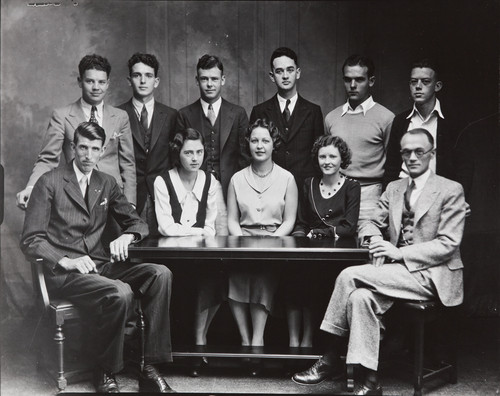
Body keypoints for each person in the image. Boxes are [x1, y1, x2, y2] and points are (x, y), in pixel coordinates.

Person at [292, 128, 466, 395]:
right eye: (406, 152)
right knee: (359, 297)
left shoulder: (450, 189)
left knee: (349, 275)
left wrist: (399, 253)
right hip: (398, 273)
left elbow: (448, 244)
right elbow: (371, 222)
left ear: (431, 154)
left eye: (419, 151)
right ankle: (370, 381)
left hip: (432, 275)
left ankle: (329, 356)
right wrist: (374, 239)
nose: (412, 157)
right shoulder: (394, 188)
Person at [20, 122, 174, 393]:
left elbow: (138, 223)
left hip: (100, 268)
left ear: (102, 151)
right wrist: (65, 260)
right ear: (73, 147)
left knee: (160, 274)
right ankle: (105, 370)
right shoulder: (50, 182)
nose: (88, 155)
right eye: (82, 147)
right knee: (120, 292)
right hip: (66, 275)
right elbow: (31, 240)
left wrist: (128, 236)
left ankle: (149, 367)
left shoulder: (106, 182)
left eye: (94, 149)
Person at [16, 54, 136, 209]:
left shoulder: (120, 117)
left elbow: (128, 164)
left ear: (108, 84)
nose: (96, 87)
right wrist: (31, 187)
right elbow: (47, 159)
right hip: (76, 197)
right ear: (80, 82)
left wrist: (130, 202)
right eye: (89, 81)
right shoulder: (62, 116)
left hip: (112, 198)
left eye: (101, 82)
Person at [154, 128, 227, 377]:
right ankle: (185, 349)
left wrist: (193, 232)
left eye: (199, 152)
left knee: (212, 275)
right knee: (183, 282)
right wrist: (196, 232)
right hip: (171, 255)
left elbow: (210, 226)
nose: (195, 158)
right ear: (178, 154)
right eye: (188, 153)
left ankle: (199, 341)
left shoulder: (210, 181)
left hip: (201, 254)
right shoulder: (162, 181)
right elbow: (165, 227)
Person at [226, 119, 298, 357]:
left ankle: (257, 341)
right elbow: (232, 221)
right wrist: (241, 244)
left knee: (262, 278)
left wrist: (273, 242)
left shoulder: (287, 178)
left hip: (274, 242)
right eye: (255, 140)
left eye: (265, 141)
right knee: (236, 277)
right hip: (242, 241)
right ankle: (245, 340)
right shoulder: (237, 179)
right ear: (248, 143)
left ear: (273, 144)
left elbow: (289, 221)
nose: (260, 146)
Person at [289, 135, 360, 348]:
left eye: (332, 156)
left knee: (319, 287)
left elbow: (348, 227)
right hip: (308, 251)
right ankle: (296, 343)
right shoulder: (308, 183)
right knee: (295, 279)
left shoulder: (352, 186)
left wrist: (321, 233)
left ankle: (318, 343)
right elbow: (301, 223)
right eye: (322, 156)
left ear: (342, 159)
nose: (327, 161)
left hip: (339, 255)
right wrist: (299, 243)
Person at [324, 54, 394, 227]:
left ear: (371, 81)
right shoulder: (331, 118)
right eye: (348, 80)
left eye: (359, 79)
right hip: (337, 195)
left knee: (369, 248)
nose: (353, 85)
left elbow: (393, 165)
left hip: (371, 197)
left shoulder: (386, 118)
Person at [119, 53, 178, 234]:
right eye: (137, 75)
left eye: (148, 76)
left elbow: (175, 159)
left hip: (163, 196)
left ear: (156, 81)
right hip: (128, 197)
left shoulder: (171, 115)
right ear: (130, 80)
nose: (143, 81)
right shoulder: (118, 114)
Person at [249, 47, 323, 191]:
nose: (285, 76)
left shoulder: (313, 111)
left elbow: (318, 155)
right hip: (269, 188)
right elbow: (252, 154)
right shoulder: (259, 111)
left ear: (298, 73)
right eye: (279, 71)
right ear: (272, 76)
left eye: (290, 70)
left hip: (305, 189)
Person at [176, 54, 249, 199]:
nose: (209, 84)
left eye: (214, 79)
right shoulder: (184, 115)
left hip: (231, 189)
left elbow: (245, 158)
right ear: (197, 81)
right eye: (204, 79)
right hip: (194, 191)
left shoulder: (238, 113)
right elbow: (178, 160)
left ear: (222, 80)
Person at [384, 58, 459, 187]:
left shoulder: (453, 121)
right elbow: (391, 166)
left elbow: (464, 168)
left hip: (438, 195)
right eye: (413, 82)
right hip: (403, 193)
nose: (418, 86)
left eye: (425, 82)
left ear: (437, 86)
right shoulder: (401, 121)